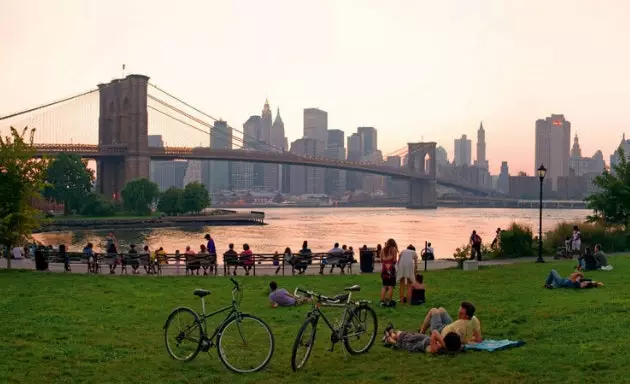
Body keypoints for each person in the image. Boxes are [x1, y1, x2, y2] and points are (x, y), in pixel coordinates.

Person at [382, 324, 461, 353]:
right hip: (416, 338)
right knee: (400, 333)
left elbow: (435, 332)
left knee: (398, 336)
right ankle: (390, 331)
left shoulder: (435, 348)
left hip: (411, 342)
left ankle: (388, 333)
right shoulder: (440, 347)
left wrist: (443, 344)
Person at [380, 239, 398, 307]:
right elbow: (394, 260)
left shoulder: (383, 249)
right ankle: (389, 301)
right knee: (390, 286)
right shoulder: (394, 249)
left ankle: (381, 301)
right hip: (391, 269)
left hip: (384, 268)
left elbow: (381, 260)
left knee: (384, 286)